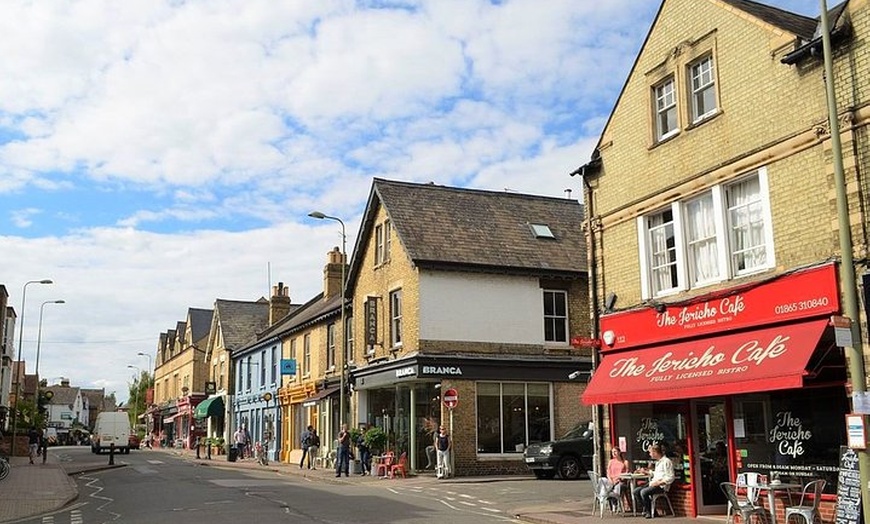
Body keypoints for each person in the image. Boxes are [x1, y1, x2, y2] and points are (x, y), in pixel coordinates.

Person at [633, 443, 675, 519]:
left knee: (643, 492)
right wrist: (647, 472)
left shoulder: (667, 461)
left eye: (650, 452)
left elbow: (671, 477)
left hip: (661, 486)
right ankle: (648, 509)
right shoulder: (658, 462)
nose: (650, 454)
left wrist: (659, 482)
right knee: (636, 491)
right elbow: (657, 473)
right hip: (653, 483)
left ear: (655, 452)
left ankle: (649, 512)